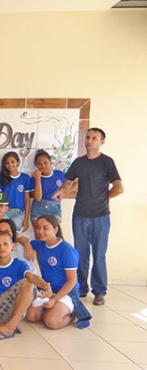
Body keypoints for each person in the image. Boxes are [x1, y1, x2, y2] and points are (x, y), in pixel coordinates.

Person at [53, 128, 123, 306]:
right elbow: (68, 182)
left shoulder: (107, 162)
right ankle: (81, 288)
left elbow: (119, 187)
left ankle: (99, 291)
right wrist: (61, 191)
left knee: (99, 255)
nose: (89, 140)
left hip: (101, 216)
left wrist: (103, 198)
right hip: (80, 215)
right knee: (81, 253)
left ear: (101, 142)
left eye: (94, 138)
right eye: (88, 137)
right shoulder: (78, 163)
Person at [0, 231, 51, 339]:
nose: (1, 247)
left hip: (13, 307)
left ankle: (10, 326)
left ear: (12, 246)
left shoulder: (19, 264)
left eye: (5, 244)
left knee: (27, 282)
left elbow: (31, 277)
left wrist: (45, 286)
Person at [27, 214, 92, 329]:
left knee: (51, 322)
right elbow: (22, 239)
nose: (40, 231)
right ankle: (54, 309)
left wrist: (54, 300)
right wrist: (26, 245)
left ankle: (73, 313)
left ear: (55, 229)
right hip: (48, 290)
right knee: (31, 316)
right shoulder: (41, 244)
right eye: (38, 227)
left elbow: (72, 281)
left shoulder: (66, 250)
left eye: (45, 228)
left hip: (67, 292)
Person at [0, 151, 32, 233]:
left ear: (18, 162)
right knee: (2, 233)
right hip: (4, 212)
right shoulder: (0, 178)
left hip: (18, 213)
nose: (10, 165)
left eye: (13, 162)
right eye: (7, 163)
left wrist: (26, 219)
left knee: (14, 235)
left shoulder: (25, 178)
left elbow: (27, 200)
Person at [30, 150, 67, 230]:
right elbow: (38, 198)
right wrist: (38, 178)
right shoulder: (34, 179)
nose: (43, 166)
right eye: (39, 164)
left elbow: (75, 182)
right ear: (36, 165)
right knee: (40, 236)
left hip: (54, 207)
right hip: (38, 207)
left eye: (45, 162)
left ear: (50, 161)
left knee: (54, 234)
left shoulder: (59, 174)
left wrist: (64, 192)